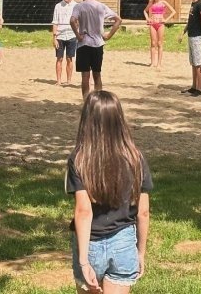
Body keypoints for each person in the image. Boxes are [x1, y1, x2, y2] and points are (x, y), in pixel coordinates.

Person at [66, 91, 152, 294]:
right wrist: (140, 252)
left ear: (87, 120)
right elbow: (143, 212)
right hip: (124, 242)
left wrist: (84, 261)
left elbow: (83, 212)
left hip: (90, 243)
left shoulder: (79, 159)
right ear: (119, 119)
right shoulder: (135, 158)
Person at [70, 0, 122, 98]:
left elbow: (72, 21)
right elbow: (118, 20)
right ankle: (98, 101)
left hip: (84, 44)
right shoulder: (101, 6)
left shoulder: (79, 6)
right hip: (98, 44)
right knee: (97, 74)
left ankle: (86, 102)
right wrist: (109, 35)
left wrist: (78, 36)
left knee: (85, 76)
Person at [177, 0, 201, 96]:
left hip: (197, 37)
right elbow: (190, 21)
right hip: (191, 36)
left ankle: (199, 89)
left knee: (199, 64)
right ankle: (194, 86)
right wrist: (183, 32)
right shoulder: (193, 4)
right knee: (193, 63)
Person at [143, 0, 176, 69]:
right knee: (153, 43)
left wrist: (166, 20)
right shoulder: (151, 3)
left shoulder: (163, 2)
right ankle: (152, 63)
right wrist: (147, 18)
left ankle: (159, 64)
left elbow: (173, 11)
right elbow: (145, 11)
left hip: (160, 24)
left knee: (160, 43)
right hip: (152, 24)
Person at [52, 0, 77, 86]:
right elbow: (55, 22)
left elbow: (79, 21)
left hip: (71, 35)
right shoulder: (58, 6)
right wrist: (54, 38)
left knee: (69, 58)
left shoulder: (76, 6)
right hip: (60, 36)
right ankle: (58, 81)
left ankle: (69, 81)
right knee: (59, 58)